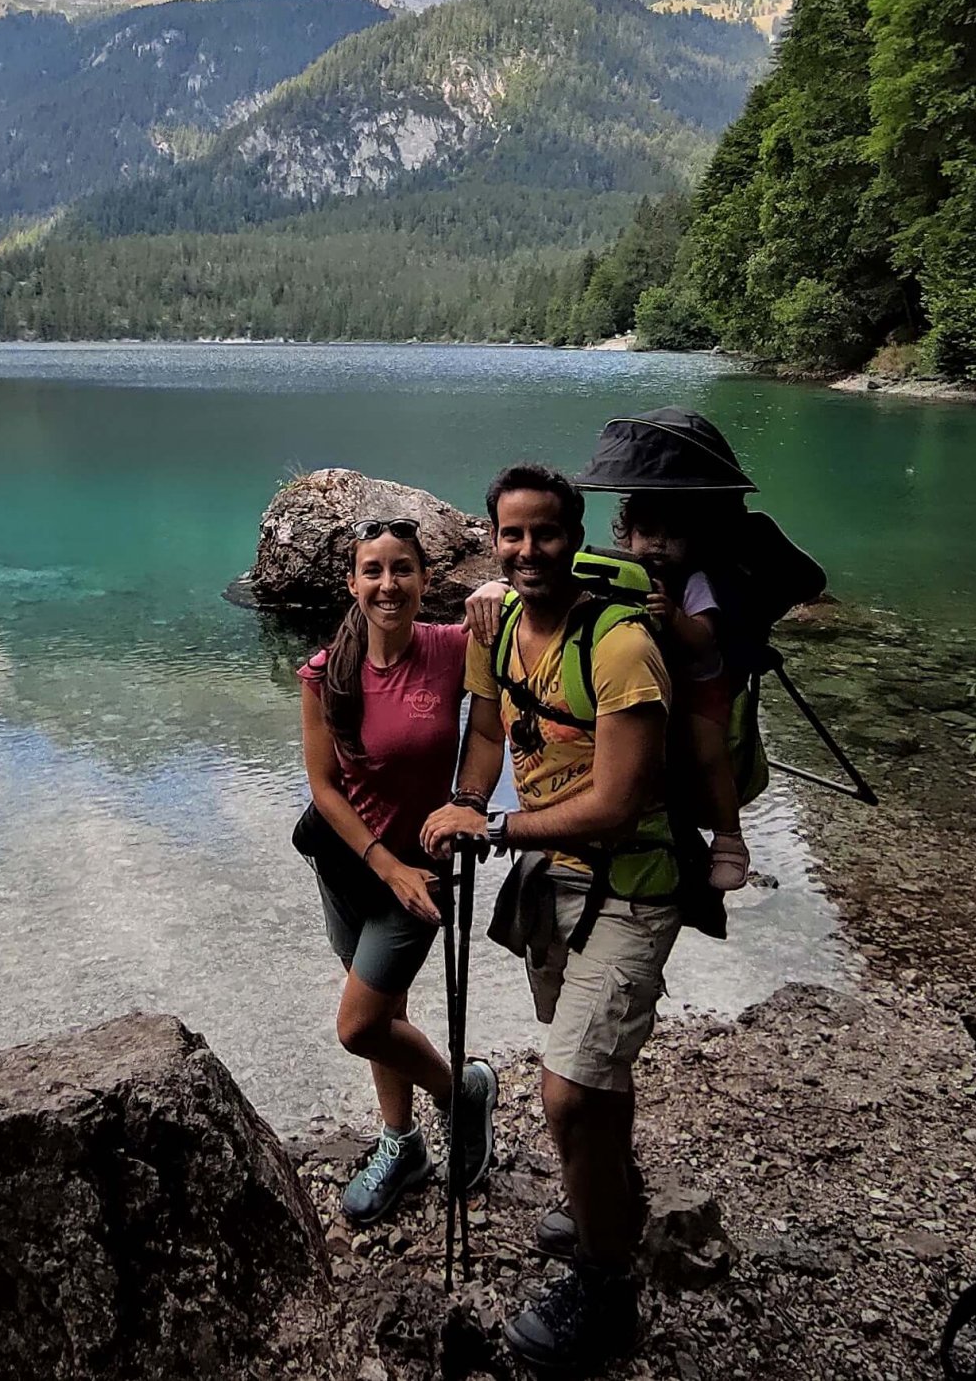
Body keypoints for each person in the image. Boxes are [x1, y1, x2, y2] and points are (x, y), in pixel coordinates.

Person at [427, 464, 683, 1374]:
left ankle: (607, 1291)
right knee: (597, 1076)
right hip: (552, 880)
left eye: (544, 533)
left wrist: (492, 824)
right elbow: (491, 730)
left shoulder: (620, 647)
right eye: (512, 535)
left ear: (576, 536)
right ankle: (613, 1196)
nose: (527, 551)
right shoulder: (493, 632)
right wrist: (463, 799)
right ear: (492, 538)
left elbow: (618, 801)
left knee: (567, 1089)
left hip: (633, 882)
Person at [296, 516, 498, 1226]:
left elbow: (494, 706)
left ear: (425, 580)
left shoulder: (451, 650)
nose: (388, 584)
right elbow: (323, 785)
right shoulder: (326, 672)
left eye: (402, 569)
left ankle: (459, 1092)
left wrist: (499, 588)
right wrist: (381, 863)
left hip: (423, 872)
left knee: (358, 1025)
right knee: (387, 1013)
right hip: (351, 868)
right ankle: (403, 1142)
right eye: (373, 570)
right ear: (351, 583)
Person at [611, 490, 751, 891]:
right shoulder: (626, 572)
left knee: (708, 752)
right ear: (628, 536)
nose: (657, 544)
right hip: (650, 680)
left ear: (692, 541)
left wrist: (673, 615)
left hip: (699, 682)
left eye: (671, 535)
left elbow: (704, 638)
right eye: (646, 532)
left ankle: (729, 839)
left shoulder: (694, 581)